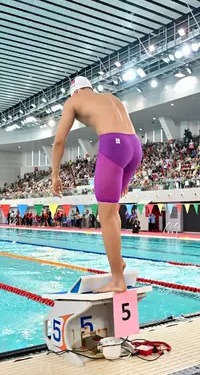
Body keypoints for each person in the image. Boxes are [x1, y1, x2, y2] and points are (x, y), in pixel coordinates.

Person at [51, 76, 141, 293]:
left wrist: (55, 174)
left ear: (74, 92)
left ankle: (117, 281)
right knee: (112, 212)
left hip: (114, 146)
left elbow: (59, 141)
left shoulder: (73, 102)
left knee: (105, 217)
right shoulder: (110, 97)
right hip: (135, 148)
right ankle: (118, 263)